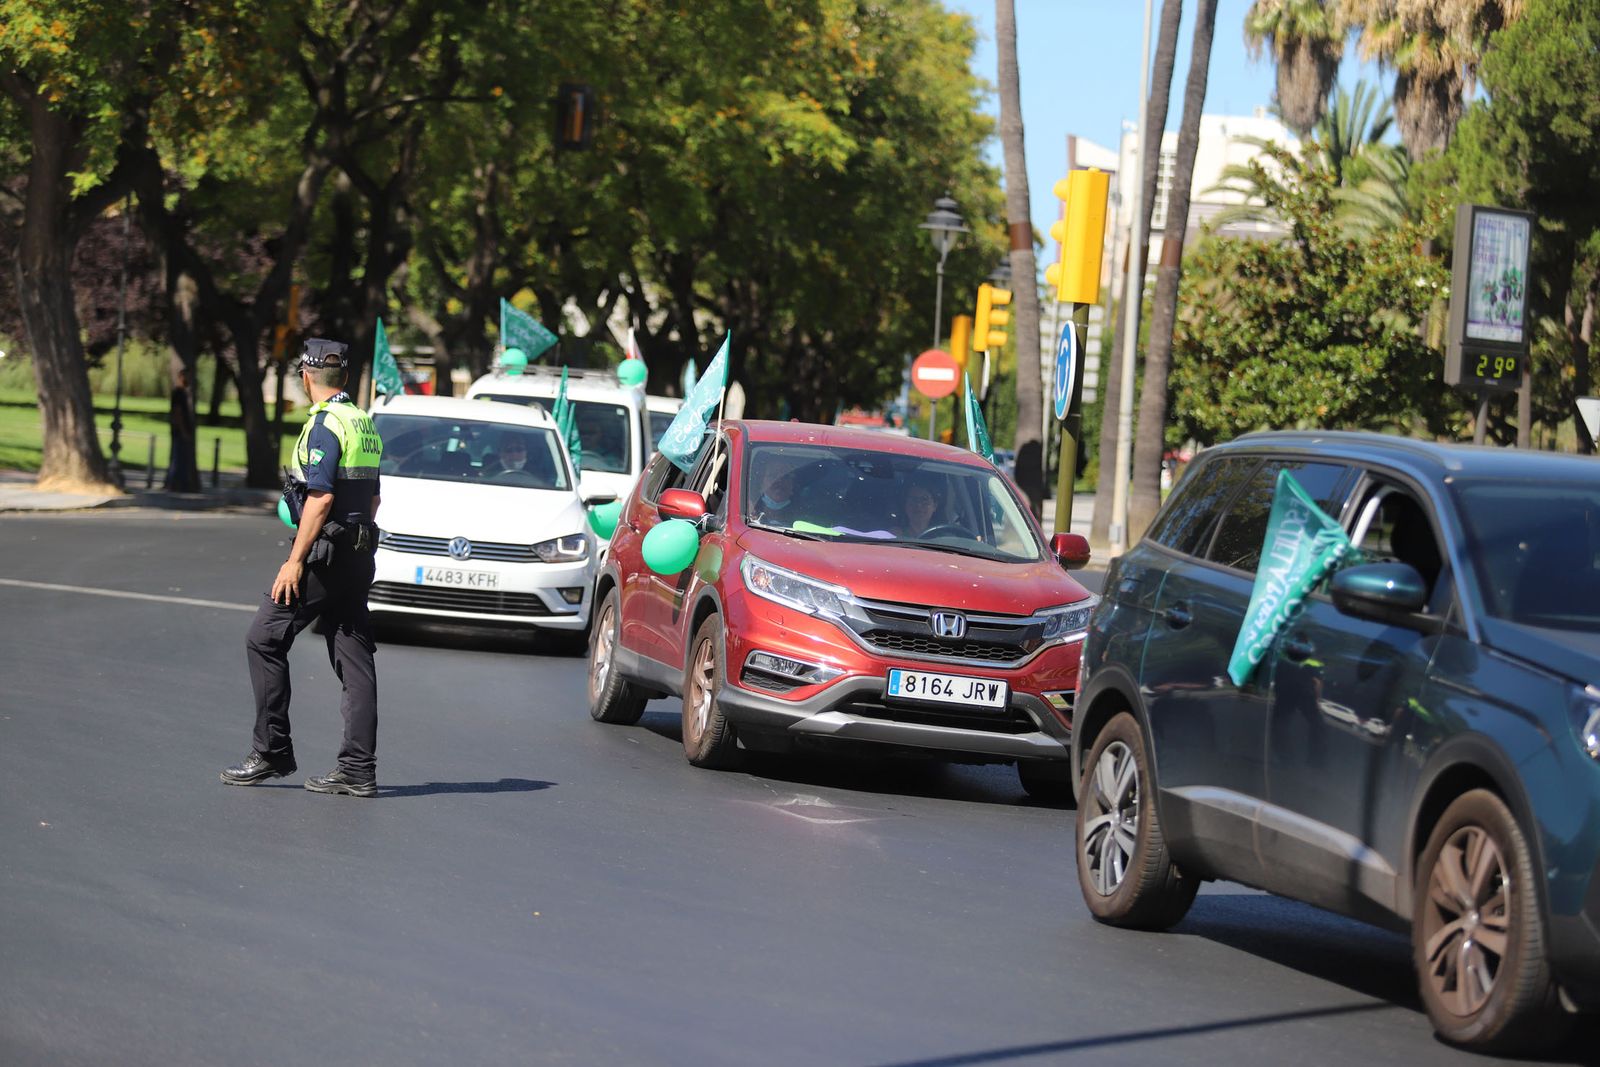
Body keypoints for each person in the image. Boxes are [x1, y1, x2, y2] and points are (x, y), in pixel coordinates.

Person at [222, 338, 385, 798]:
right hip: (358, 554)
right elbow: (373, 497)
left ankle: (272, 750)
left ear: (306, 377)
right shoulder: (363, 424)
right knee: (355, 658)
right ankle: (358, 769)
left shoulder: (325, 426)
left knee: (263, 638)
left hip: (324, 555)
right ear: (346, 378)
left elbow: (321, 496)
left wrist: (295, 561)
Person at [163, 367, 199, 492]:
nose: (189, 380)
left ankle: (179, 484)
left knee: (180, 459)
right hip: (180, 432)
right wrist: (184, 431)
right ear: (181, 377)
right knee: (178, 460)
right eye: (187, 377)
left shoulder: (182, 393)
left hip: (181, 432)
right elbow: (178, 414)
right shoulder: (178, 393)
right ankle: (174, 485)